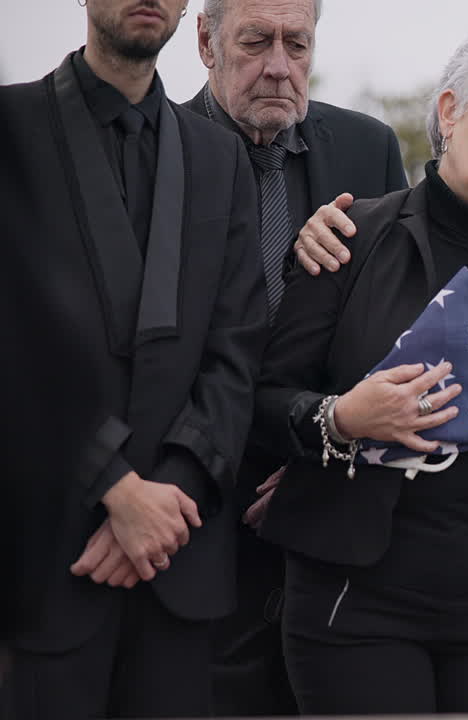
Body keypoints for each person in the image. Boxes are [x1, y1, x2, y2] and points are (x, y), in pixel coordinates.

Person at [251, 23, 468, 714]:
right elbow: (258, 401)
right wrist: (340, 417)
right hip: (357, 606)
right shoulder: (351, 238)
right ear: (449, 111)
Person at [0, 0, 268, 716]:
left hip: (178, 567)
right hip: (44, 559)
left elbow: (235, 350)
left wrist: (167, 499)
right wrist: (113, 486)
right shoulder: (10, 129)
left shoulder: (221, 157)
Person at [181, 0, 408, 713]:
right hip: (193, 513)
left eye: (297, 43)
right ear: (205, 42)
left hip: (330, 512)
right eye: (256, 42)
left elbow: (392, 327)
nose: (279, 65)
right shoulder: (163, 148)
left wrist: (317, 465)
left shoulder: (368, 148)